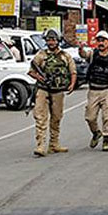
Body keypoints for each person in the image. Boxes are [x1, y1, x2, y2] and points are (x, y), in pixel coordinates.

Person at [27, 28, 76, 157]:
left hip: (58, 91)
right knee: (40, 117)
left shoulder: (65, 56)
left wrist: (72, 84)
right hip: (43, 89)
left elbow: (73, 71)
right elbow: (31, 71)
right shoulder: (41, 55)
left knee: (56, 117)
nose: (51, 42)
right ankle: (41, 145)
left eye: (53, 39)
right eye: (49, 39)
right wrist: (40, 78)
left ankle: (54, 144)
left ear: (58, 40)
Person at [78, 30, 108, 152]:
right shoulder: (93, 54)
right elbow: (84, 55)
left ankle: (106, 139)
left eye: (103, 40)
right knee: (90, 117)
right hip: (93, 90)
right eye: (99, 40)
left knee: (107, 116)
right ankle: (96, 133)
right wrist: (81, 49)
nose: (101, 43)